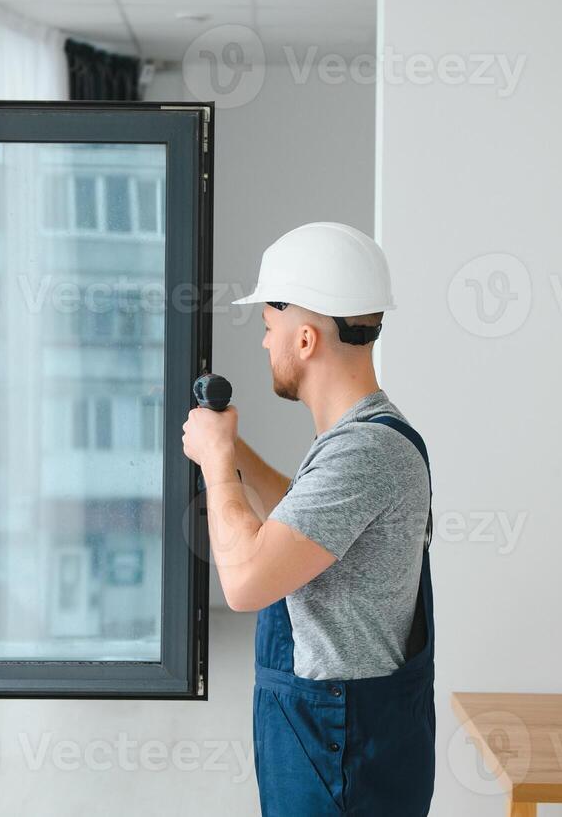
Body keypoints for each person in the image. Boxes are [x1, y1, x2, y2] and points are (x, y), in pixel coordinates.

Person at [181, 222, 436, 817]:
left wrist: (219, 463)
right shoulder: (365, 439)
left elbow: (244, 582)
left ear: (305, 340)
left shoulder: (363, 453)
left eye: (269, 330)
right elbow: (305, 520)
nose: (265, 346)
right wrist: (232, 447)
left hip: (338, 754)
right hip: (339, 744)